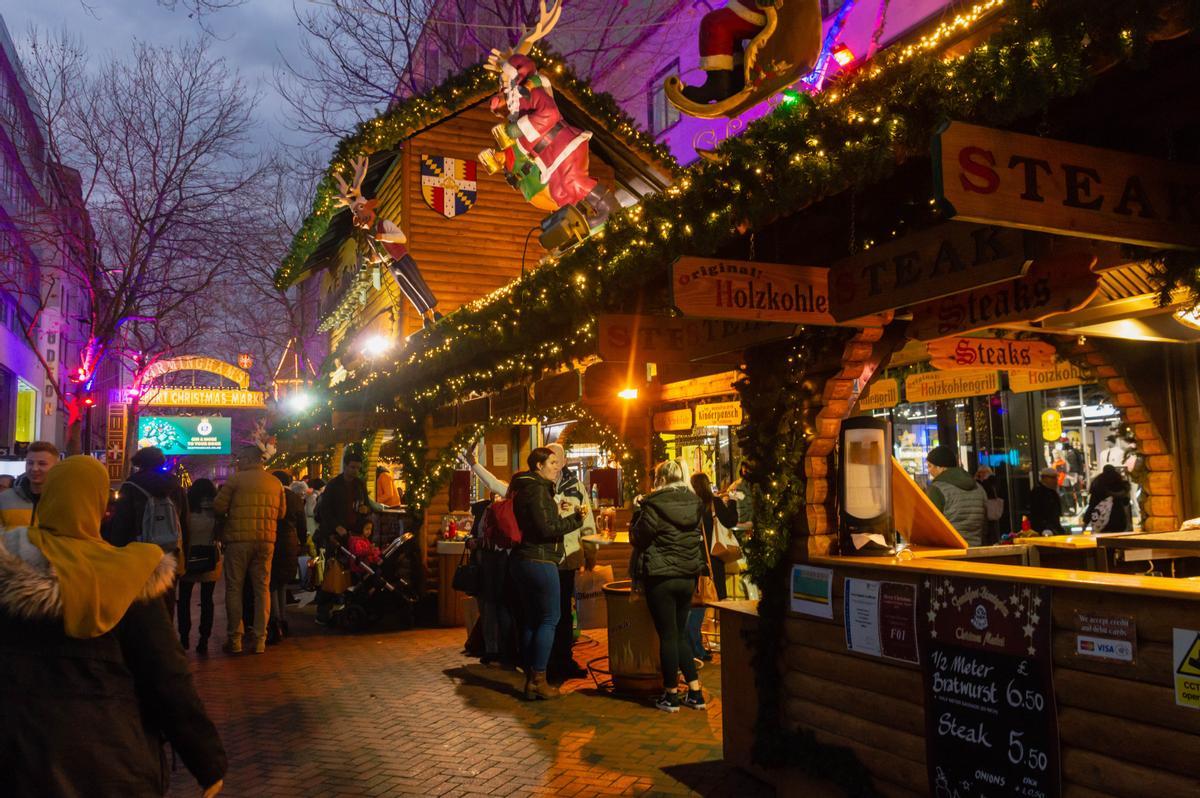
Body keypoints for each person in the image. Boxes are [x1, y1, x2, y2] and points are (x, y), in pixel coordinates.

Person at [0, 456, 226, 796]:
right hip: (111, 756)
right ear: (98, 503)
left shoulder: (7, 562)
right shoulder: (130, 574)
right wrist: (206, 761)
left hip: (16, 754)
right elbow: (166, 676)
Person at [630, 459, 709, 713]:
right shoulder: (695, 502)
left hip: (661, 576)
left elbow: (638, 536)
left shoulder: (653, 504)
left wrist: (636, 511)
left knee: (667, 636)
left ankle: (671, 694)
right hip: (687, 576)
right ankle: (695, 693)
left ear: (661, 479)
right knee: (680, 633)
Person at [509, 447, 586, 700]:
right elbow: (547, 527)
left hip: (524, 559)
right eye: (552, 462)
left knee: (533, 619)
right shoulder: (537, 489)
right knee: (550, 618)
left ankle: (531, 678)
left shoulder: (525, 487)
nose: (557, 467)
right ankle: (539, 678)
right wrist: (575, 520)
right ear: (539, 466)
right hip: (540, 560)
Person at [213, 445, 286, 654]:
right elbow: (281, 513)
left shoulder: (235, 480)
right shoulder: (275, 482)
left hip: (238, 541)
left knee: (234, 588)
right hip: (266, 541)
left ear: (246, 459)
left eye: (239, 459)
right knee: (262, 589)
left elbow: (219, 507)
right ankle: (260, 640)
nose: (237, 463)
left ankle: (235, 639)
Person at [107, 446, 190, 619]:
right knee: (167, 603)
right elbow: (184, 523)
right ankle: (166, 639)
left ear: (139, 463)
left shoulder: (131, 486)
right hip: (170, 553)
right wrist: (184, 556)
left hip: (138, 553)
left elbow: (121, 524)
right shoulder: (175, 486)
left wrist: (115, 554)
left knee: (140, 606)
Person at [313, 449, 383, 624]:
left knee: (355, 570)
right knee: (333, 571)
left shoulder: (359, 484)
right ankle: (323, 610)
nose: (355, 471)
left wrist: (365, 510)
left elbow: (366, 504)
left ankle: (349, 605)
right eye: (352, 467)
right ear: (345, 466)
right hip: (336, 535)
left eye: (357, 468)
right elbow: (325, 510)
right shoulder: (334, 485)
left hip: (354, 535)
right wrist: (336, 527)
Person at [545, 442, 595, 683]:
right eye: (549, 459)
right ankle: (548, 661)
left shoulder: (575, 487)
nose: (553, 464)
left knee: (565, 611)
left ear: (564, 461)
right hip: (547, 558)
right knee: (550, 612)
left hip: (569, 557)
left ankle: (563, 659)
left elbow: (587, 519)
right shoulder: (540, 485)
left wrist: (590, 551)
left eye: (556, 459)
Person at [687, 472, 739, 660]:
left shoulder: (689, 505)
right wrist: (732, 500)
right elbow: (731, 521)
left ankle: (696, 645)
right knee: (706, 604)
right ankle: (696, 647)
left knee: (695, 604)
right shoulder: (713, 503)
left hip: (692, 560)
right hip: (711, 561)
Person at [179, 478, 223, 654]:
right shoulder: (216, 511)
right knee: (207, 600)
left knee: (184, 600)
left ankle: (184, 638)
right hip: (210, 559)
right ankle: (203, 639)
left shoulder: (186, 511)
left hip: (188, 559)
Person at [268, 470, 306, 644]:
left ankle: (275, 619)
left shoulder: (271, 495)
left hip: (272, 540)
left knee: (272, 583)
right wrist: (303, 542)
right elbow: (302, 523)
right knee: (283, 582)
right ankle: (283, 618)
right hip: (290, 541)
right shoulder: (295, 498)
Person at [924, 445, 987, 547]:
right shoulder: (978, 487)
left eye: (930, 466)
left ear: (941, 467)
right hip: (975, 549)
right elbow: (985, 525)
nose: (929, 471)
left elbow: (930, 526)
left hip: (948, 551)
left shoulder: (937, 489)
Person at [0, 441, 58, 530]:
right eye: (30, 463)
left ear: (56, 466)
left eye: (42, 464)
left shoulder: (64, 501)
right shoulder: (4, 499)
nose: (34, 468)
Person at [1084, 465, 1133, 533]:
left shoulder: (1098, 484)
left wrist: (1085, 522)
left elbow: (1092, 505)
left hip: (1102, 521)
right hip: (1119, 520)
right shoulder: (1120, 485)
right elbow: (1126, 504)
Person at [1028, 467, 1065, 535]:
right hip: (1044, 530)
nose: (1056, 480)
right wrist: (1044, 528)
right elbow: (1036, 514)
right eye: (1053, 478)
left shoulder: (1053, 493)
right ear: (1044, 478)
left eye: (1056, 478)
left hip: (1053, 529)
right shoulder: (1038, 492)